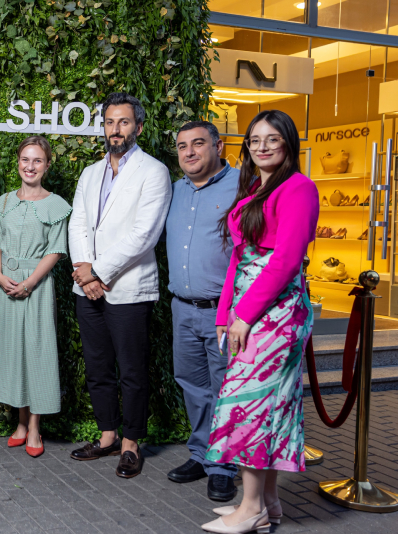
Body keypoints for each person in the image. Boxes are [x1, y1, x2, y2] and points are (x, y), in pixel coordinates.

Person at [201, 110, 318, 534]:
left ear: (288, 143)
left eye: (272, 139)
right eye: (254, 140)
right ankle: (268, 503)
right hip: (250, 311)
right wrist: (226, 314)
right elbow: (239, 256)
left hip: (278, 314)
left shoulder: (299, 188)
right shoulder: (254, 188)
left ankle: (250, 508)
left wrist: (245, 315)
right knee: (266, 404)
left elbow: (285, 260)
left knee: (250, 404)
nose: (262, 147)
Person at [68, 92, 171, 479]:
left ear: (138, 127)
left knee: (131, 370)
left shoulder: (154, 172)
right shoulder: (91, 172)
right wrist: (84, 271)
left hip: (126, 288)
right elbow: (78, 223)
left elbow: (144, 235)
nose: (116, 129)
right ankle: (108, 435)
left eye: (123, 122)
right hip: (88, 288)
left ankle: (131, 444)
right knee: (97, 367)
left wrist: (97, 272)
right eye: (110, 122)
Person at [165, 121, 239, 501]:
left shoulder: (242, 186)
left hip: (224, 314)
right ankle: (200, 454)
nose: (189, 152)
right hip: (182, 308)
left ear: (218, 146)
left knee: (225, 388)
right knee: (193, 386)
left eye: (198, 144)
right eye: (182, 146)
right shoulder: (174, 190)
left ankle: (224, 466)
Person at [0, 136, 71, 458]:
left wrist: (31, 282)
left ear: (47, 165)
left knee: (37, 352)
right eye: (25, 160)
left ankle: (34, 427)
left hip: (36, 285)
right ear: (18, 163)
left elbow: (56, 250)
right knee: (12, 352)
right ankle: (20, 423)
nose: (30, 166)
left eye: (37, 161)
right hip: (5, 285)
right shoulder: (3, 202)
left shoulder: (56, 205)